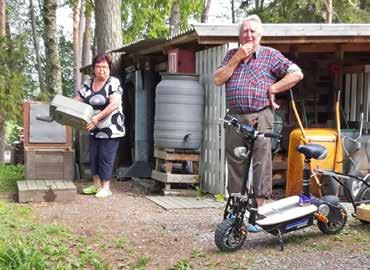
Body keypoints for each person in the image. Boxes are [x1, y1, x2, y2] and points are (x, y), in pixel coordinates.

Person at [214, 15, 303, 231]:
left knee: (261, 162)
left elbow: (296, 73)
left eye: (253, 31)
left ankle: (257, 213)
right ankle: (236, 211)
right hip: (235, 117)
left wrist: (274, 88)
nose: (249, 35)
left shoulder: (271, 55)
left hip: (261, 115)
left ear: (260, 35)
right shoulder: (230, 55)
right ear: (239, 36)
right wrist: (236, 59)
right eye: (245, 31)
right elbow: (218, 79)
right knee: (235, 162)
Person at [75, 53, 125, 198]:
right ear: (93, 68)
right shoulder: (87, 84)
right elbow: (76, 101)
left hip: (111, 128)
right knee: (94, 156)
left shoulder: (113, 82)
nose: (101, 70)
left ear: (109, 68)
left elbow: (114, 104)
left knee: (106, 156)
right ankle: (96, 186)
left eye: (105, 67)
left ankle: (106, 187)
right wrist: (64, 109)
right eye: (98, 67)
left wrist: (97, 118)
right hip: (93, 127)